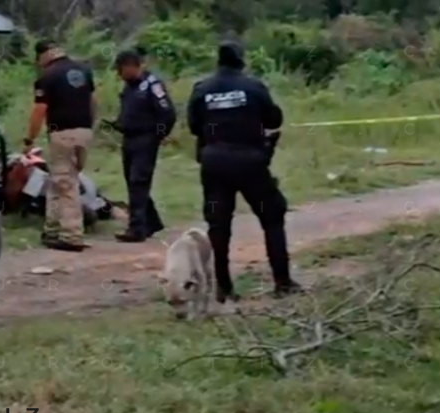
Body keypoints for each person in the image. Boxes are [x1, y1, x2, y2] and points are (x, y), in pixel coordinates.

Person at [186, 40, 304, 303]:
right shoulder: (253, 86)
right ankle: (282, 281)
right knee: (272, 217)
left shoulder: (201, 89)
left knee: (218, 226)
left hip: (214, 162)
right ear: (241, 60)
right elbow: (274, 119)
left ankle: (224, 288)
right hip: (250, 161)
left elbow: (194, 125)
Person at [25, 40, 97, 252]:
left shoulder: (47, 76)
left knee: (65, 184)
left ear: (44, 56)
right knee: (59, 181)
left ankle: (71, 235)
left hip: (61, 133)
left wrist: (29, 139)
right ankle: (52, 229)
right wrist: (89, 126)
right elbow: (93, 101)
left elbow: (40, 110)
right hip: (84, 131)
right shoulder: (84, 70)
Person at [104, 49, 176, 242]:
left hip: (146, 139)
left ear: (131, 66)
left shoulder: (151, 85)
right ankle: (151, 222)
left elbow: (167, 113)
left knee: (138, 181)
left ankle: (136, 228)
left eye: (121, 69)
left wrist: (160, 134)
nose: (119, 74)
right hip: (129, 139)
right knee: (133, 181)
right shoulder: (129, 87)